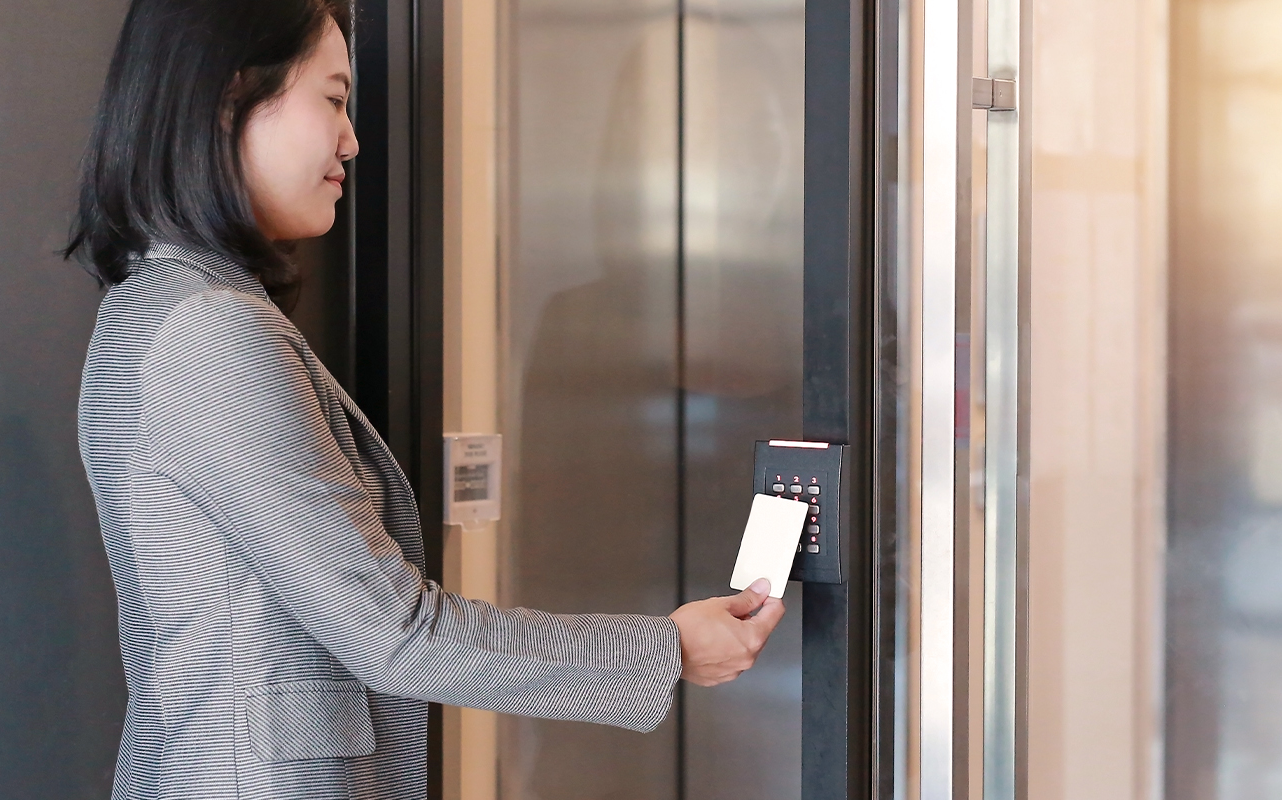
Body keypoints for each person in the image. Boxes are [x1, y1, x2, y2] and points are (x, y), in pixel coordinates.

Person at [66, 1, 785, 797]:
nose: (352, 139)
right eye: (334, 100)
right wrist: (666, 651)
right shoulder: (211, 328)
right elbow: (393, 632)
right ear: (230, 100)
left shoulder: (155, 303)